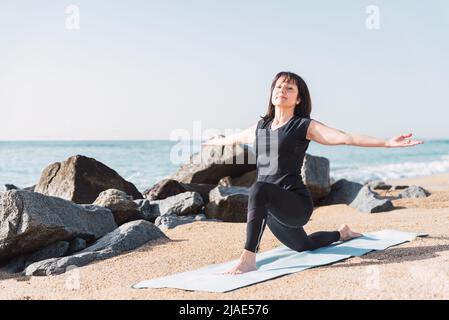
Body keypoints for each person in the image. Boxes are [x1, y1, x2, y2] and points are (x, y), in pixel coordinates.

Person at [202, 71, 424, 275]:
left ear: (298, 99)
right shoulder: (261, 126)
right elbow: (234, 138)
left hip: (296, 204)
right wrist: (215, 142)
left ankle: (248, 259)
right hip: (272, 210)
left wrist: (386, 142)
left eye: (289, 88)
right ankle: (342, 234)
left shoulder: (303, 125)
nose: (282, 91)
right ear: (272, 94)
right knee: (303, 245)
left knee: (258, 188)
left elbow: (344, 137)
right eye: (279, 87)